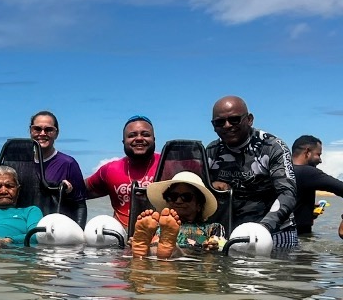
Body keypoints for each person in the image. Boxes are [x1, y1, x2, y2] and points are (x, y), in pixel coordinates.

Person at [206, 96, 297, 248]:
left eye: (234, 119)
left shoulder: (272, 146)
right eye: (220, 122)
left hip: (276, 230)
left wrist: (263, 229)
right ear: (213, 126)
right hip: (231, 233)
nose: (227, 126)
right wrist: (211, 187)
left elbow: (288, 193)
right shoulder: (211, 152)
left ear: (249, 119)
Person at [84, 115, 161, 229]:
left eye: (145, 134)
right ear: (123, 141)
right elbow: (78, 191)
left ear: (154, 139)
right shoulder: (110, 170)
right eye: (132, 135)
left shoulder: (169, 165)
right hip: (121, 240)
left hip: (161, 237)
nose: (139, 138)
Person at [131, 172, 226, 258]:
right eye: (173, 196)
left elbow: (222, 245)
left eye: (186, 197)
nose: (178, 201)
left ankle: (170, 250)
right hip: (158, 252)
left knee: (187, 251)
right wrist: (135, 240)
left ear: (199, 205)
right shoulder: (155, 225)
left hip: (193, 258)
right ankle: (145, 248)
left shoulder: (212, 227)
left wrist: (214, 245)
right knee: (154, 244)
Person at [28, 110, 88, 227]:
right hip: (27, 226)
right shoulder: (21, 162)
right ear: (31, 131)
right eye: (37, 129)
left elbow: (80, 205)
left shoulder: (68, 163)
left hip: (56, 228)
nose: (42, 133)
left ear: (56, 133)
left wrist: (79, 233)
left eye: (49, 130)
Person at [290, 135, 343, 235]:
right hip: (298, 238)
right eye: (318, 154)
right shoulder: (307, 172)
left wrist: (306, 210)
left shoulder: (279, 170)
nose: (320, 160)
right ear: (307, 152)